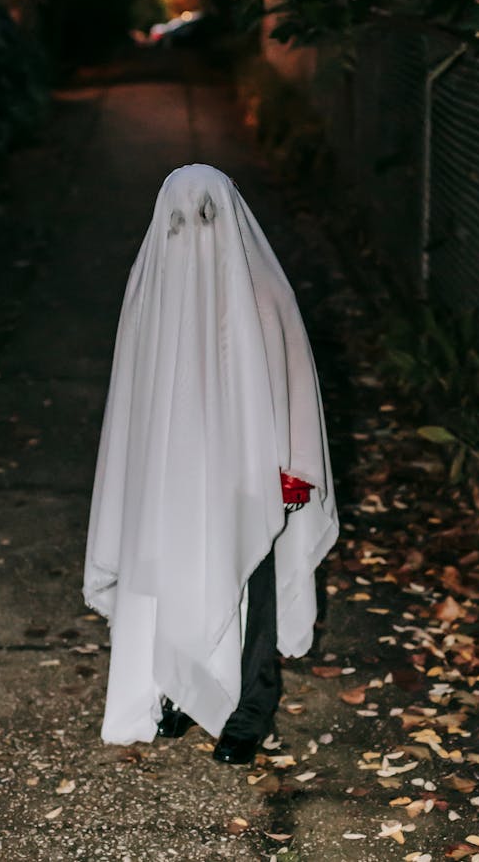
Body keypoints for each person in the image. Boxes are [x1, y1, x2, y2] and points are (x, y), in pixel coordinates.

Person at [83, 164, 338, 764]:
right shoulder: (150, 288)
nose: (192, 234)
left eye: (205, 218)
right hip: (168, 475)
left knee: (250, 577)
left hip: (248, 479)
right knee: (162, 570)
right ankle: (177, 687)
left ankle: (250, 707)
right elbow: (131, 401)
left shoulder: (266, 293)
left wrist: (294, 465)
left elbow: (294, 379)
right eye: (178, 220)